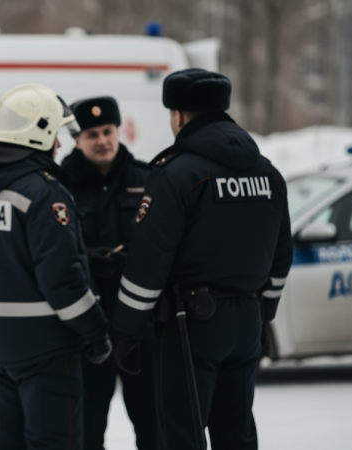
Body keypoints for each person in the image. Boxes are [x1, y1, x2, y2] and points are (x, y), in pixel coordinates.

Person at [110, 69, 293, 450]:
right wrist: (264, 310)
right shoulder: (267, 173)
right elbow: (281, 254)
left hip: (188, 325)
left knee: (181, 434)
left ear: (178, 115)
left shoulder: (176, 173)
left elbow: (149, 262)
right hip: (246, 319)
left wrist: (126, 328)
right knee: (236, 431)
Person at [0, 83, 112, 450]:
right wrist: (95, 332)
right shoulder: (44, 192)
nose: (60, 145)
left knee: (8, 441)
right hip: (46, 349)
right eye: (56, 134)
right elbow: (62, 281)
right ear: (38, 132)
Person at [60, 97, 155, 450]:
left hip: (140, 328)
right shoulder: (60, 185)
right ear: (77, 139)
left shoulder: (146, 178)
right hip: (88, 330)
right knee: (87, 428)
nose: (102, 140)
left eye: (108, 131)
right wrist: (87, 259)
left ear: (118, 131)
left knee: (152, 424)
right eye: (92, 134)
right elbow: (52, 251)